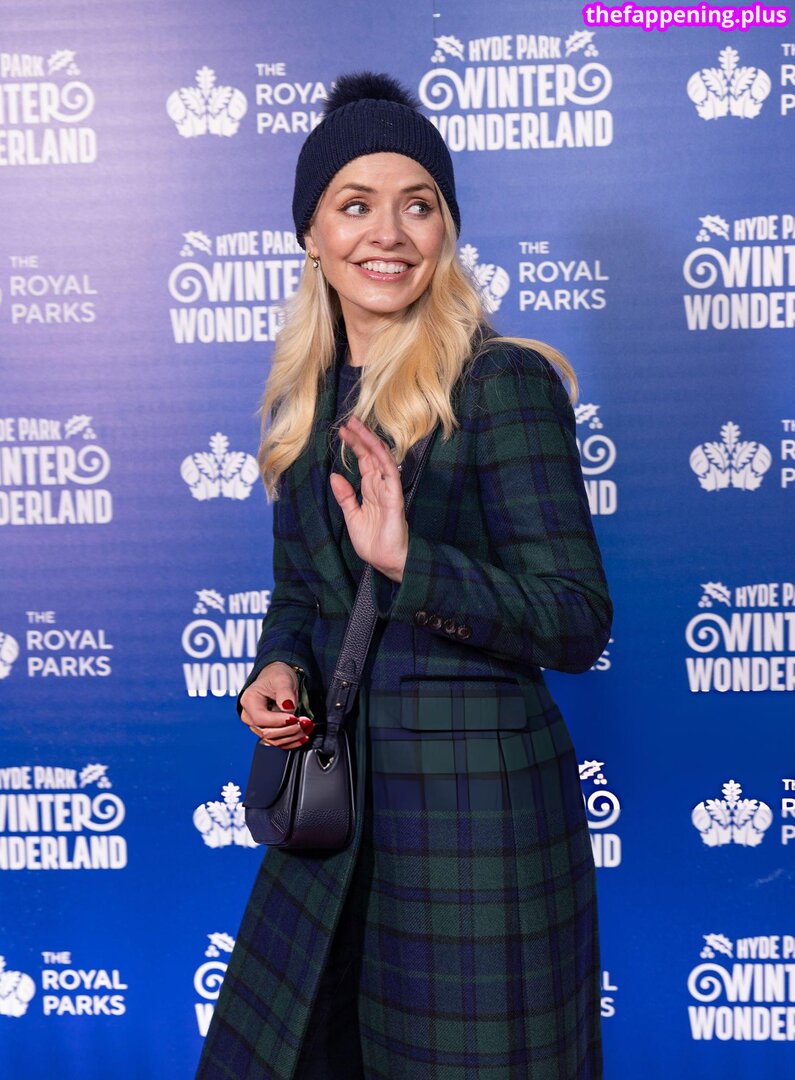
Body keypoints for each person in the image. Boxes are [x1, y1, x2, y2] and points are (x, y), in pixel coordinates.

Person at [196, 70, 612, 1080]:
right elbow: (300, 597)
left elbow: (576, 618)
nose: (388, 233)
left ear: (445, 229)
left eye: (417, 205)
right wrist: (277, 672)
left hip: (478, 841)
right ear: (311, 234)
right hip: (335, 826)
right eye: (355, 204)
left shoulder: (501, 383)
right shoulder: (304, 404)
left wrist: (410, 564)